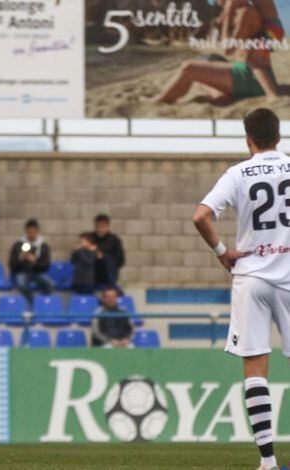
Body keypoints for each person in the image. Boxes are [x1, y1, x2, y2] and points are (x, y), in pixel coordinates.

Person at [193, 108, 290, 470]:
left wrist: (222, 252)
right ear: (278, 136)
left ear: (249, 139)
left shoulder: (238, 173)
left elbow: (201, 216)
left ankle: (267, 461)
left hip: (251, 276)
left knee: (255, 366)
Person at [151, 0, 281, 105]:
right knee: (204, 67)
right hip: (246, 69)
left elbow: (227, 49)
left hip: (251, 76)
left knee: (189, 68)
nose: (217, 2)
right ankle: (221, 95)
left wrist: (228, 13)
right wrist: (225, 15)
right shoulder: (243, 12)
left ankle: (159, 100)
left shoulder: (246, 13)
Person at [8, 219, 53, 302]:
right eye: (29, 232)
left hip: (38, 273)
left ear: (37, 232)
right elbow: (12, 264)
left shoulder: (43, 246)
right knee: (21, 283)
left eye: (33, 232)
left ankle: (44, 302)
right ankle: (31, 301)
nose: (31, 235)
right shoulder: (18, 245)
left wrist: (35, 261)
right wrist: (21, 258)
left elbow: (46, 265)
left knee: (50, 283)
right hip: (22, 272)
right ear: (26, 231)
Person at [91, 214, 125, 289]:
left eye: (102, 227)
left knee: (106, 260)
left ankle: (112, 289)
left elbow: (120, 261)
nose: (100, 229)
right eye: (97, 227)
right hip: (92, 275)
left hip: (108, 275)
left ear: (108, 226)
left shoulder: (114, 240)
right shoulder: (89, 239)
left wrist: (104, 257)